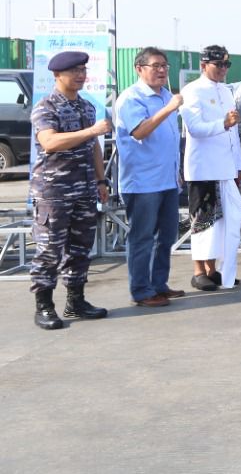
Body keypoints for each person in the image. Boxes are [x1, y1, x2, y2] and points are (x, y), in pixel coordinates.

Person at [29, 50, 112, 330]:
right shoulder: (46, 107)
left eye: (83, 70)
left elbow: (94, 146)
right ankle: (44, 306)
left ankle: (76, 301)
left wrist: (101, 180)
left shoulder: (86, 107)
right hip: (54, 192)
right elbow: (49, 142)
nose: (80, 75)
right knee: (49, 251)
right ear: (57, 75)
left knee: (80, 248)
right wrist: (91, 132)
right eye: (74, 71)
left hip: (84, 189)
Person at [115, 47, 184, 308]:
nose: (162, 70)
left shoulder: (166, 95)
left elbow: (170, 139)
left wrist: (176, 171)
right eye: (155, 66)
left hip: (167, 179)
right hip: (143, 182)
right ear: (139, 69)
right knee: (143, 238)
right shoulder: (131, 98)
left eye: (164, 66)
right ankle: (141, 291)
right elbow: (140, 132)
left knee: (166, 237)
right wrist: (168, 109)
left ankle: (159, 285)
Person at [180, 45, 241, 292]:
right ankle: (199, 271)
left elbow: (233, 133)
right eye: (218, 64)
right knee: (203, 221)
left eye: (226, 65)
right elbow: (195, 128)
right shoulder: (192, 91)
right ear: (203, 65)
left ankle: (212, 269)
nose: (223, 69)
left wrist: (238, 165)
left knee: (223, 223)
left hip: (225, 167)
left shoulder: (226, 91)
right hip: (204, 168)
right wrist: (223, 123)